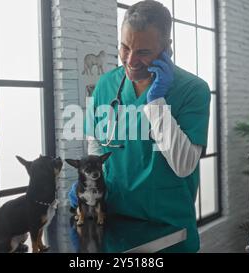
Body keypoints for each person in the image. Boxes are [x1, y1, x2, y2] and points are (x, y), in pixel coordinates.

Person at [68, 0, 210, 252]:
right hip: (115, 226)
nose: (130, 60)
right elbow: (97, 140)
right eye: (124, 47)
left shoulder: (192, 89)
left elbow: (184, 165)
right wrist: (90, 179)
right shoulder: (106, 85)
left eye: (143, 52)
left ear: (166, 48)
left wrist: (156, 102)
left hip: (168, 232)